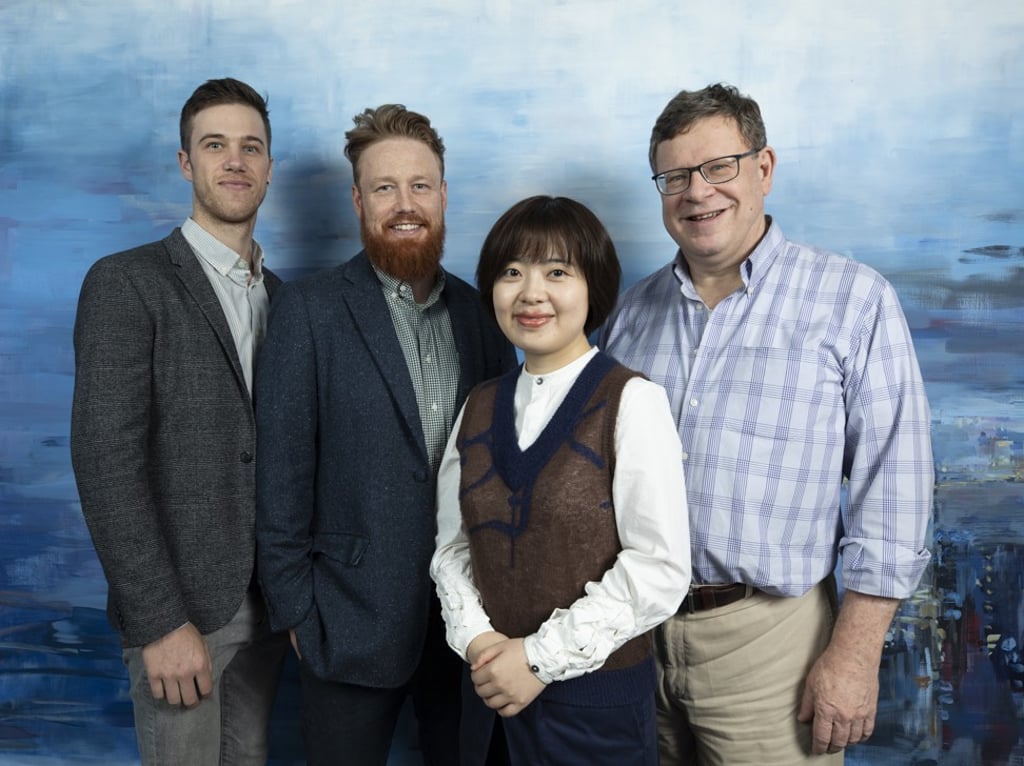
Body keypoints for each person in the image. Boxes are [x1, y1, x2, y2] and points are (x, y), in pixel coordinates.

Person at [598, 83, 934, 764]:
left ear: (764, 168)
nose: (698, 192)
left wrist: (855, 655)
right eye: (675, 176)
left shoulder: (852, 301)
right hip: (635, 640)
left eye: (719, 166)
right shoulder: (631, 315)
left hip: (772, 646)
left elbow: (892, 493)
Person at [254, 103, 517, 766]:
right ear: (357, 200)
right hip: (346, 623)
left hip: (469, 631)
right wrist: (297, 614)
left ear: (444, 194)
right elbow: (280, 475)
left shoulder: (484, 315)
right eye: (384, 187)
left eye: (420, 186)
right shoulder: (308, 314)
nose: (406, 204)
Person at [70, 77, 289, 765]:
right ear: (186, 163)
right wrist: (160, 620)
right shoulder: (127, 283)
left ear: (268, 168)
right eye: (215, 145)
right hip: (181, 614)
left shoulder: (283, 300)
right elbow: (106, 461)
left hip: (265, 613)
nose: (235, 161)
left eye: (250, 147)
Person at [431, 195, 691, 765]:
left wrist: (535, 660)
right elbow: (453, 548)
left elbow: (660, 568)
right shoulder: (478, 405)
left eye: (557, 272)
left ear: (592, 286)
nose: (531, 293)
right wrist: (481, 644)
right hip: (488, 703)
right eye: (511, 272)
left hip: (594, 719)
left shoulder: (633, 401)